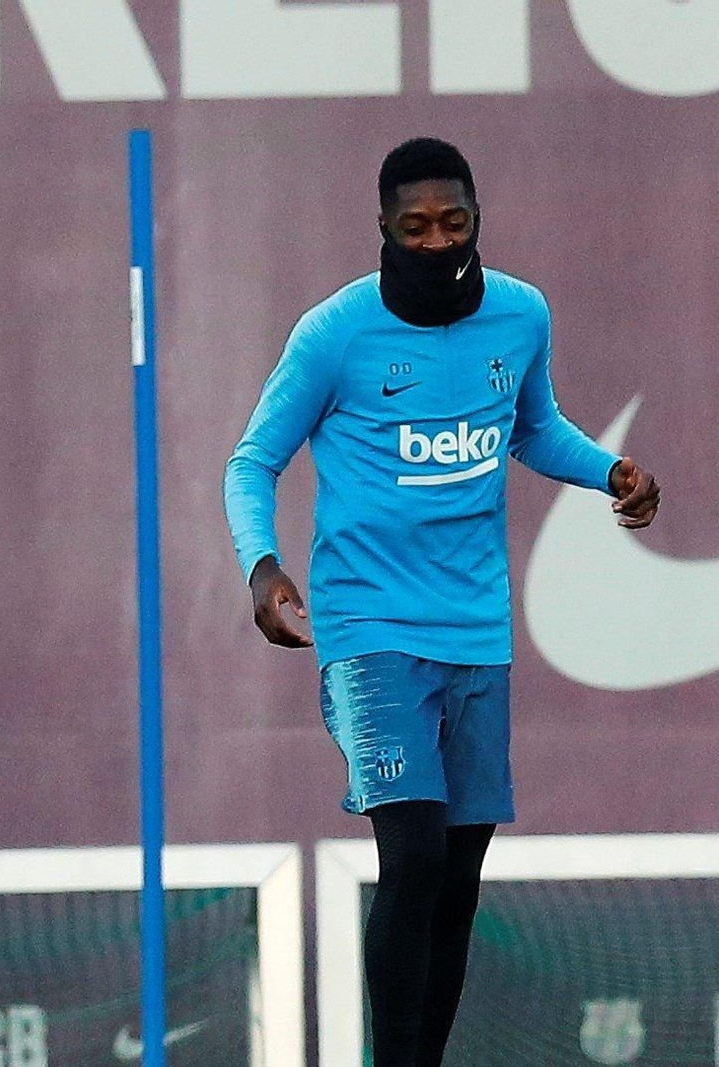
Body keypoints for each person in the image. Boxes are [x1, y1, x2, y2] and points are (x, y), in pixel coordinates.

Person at [222, 138, 660, 1066]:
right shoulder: (334, 334)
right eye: (414, 227)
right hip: (369, 629)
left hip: (476, 628)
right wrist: (262, 569)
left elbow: (532, 430)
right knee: (413, 854)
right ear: (383, 228)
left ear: (476, 220)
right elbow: (252, 460)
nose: (436, 242)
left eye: (453, 223)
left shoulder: (520, 314)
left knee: (458, 878)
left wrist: (608, 471)